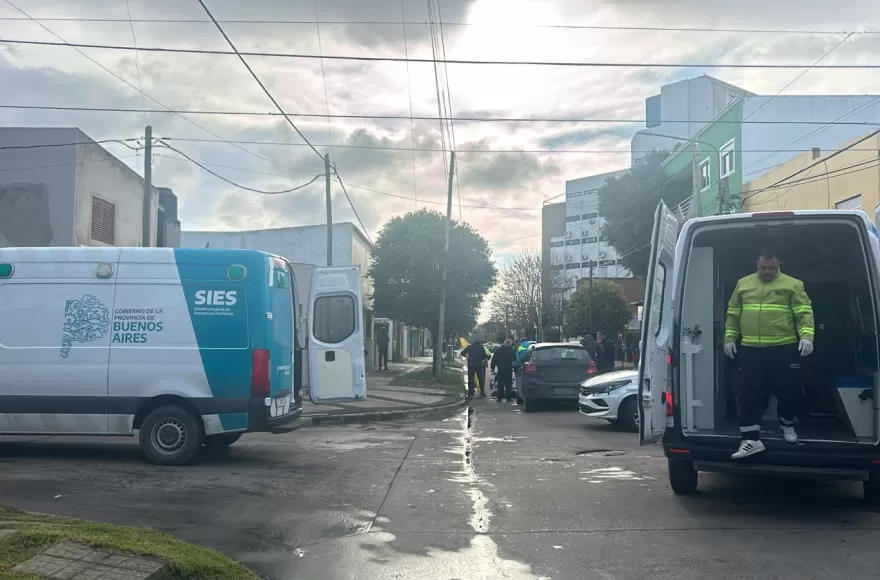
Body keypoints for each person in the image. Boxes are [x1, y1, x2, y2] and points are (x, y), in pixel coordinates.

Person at [724, 249, 814, 459]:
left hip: (783, 347)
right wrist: (729, 339)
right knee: (748, 393)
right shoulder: (743, 283)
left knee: (788, 390)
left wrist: (807, 337)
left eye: (772, 268)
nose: (767, 271)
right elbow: (733, 313)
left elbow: (804, 312)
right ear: (757, 263)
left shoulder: (793, 284)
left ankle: (787, 424)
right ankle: (750, 440)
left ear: (779, 264)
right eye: (763, 267)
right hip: (750, 349)